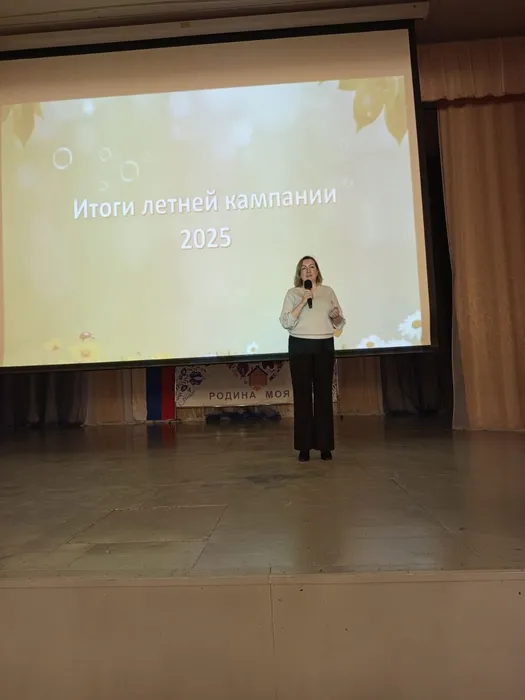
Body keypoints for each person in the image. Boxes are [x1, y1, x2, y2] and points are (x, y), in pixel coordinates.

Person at [279, 256, 345, 462]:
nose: (308, 270)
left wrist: (335, 316)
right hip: (300, 346)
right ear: (299, 274)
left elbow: (339, 322)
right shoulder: (293, 294)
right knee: (303, 396)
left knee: (324, 396)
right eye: (304, 268)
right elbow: (286, 322)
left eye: (312, 267)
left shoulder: (328, 292)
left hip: (324, 345)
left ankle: (325, 446)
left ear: (317, 271)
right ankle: (304, 447)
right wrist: (302, 301)